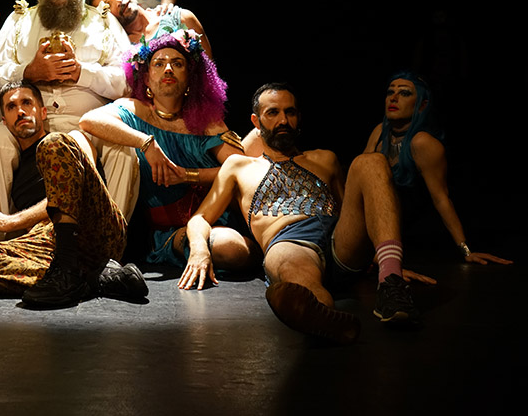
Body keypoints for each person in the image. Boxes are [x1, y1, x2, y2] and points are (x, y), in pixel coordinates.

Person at [178, 83, 432, 345]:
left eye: (290, 112)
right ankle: (324, 317)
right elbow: (200, 218)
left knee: (371, 162)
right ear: (256, 121)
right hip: (290, 241)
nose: (283, 121)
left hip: (339, 243)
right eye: (273, 113)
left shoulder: (324, 159)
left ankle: (391, 281)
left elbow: (358, 212)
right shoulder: (238, 166)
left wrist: (384, 257)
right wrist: (199, 251)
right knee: (297, 271)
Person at [0, 0, 137, 224]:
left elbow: (126, 82)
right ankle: (2, 235)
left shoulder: (103, 21)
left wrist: (81, 73)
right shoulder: (20, 20)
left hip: (88, 124)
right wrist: (30, 72)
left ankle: (110, 241)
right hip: (29, 121)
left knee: (123, 150)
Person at [0, 82, 147, 306]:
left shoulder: (72, 140)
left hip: (93, 227)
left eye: (26, 103)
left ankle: (70, 272)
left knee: (53, 143)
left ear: (43, 112)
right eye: (11, 107)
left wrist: (12, 221)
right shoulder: (15, 165)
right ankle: (90, 279)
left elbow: (75, 187)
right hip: (45, 242)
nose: (20, 111)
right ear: (5, 121)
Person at [79, 29, 253, 268]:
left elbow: (242, 169)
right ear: (146, 78)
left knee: (234, 246)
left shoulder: (207, 121)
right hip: (171, 231)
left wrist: (187, 175)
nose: (168, 69)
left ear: (190, 78)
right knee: (229, 248)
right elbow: (89, 120)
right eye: (159, 64)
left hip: (216, 216)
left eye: (177, 63)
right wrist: (146, 143)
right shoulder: (135, 110)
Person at [365, 72, 510, 265]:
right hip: (368, 221)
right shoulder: (380, 132)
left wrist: (466, 250)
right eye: (390, 92)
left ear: (422, 105)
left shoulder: (423, 143)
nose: (394, 98)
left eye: (405, 93)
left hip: (393, 229)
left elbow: (441, 198)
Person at [91, 0, 213, 57]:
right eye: (108, 5)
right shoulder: (120, 50)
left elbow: (210, 76)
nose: (118, 1)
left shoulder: (181, 18)